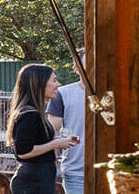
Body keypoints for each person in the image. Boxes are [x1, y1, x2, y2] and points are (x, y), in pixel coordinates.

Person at [8, 64, 78, 194]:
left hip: (40, 179)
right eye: (54, 80)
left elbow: (38, 142)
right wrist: (56, 144)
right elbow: (24, 151)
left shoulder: (36, 113)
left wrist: (62, 140)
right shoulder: (29, 114)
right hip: (31, 183)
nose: (58, 84)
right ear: (39, 84)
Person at [48, 54, 88, 194]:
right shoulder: (62, 94)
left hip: (112, 170)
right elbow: (53, 132)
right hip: (75, 173)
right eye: (89, 64)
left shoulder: (115, 93)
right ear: (76, 69)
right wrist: (54, 165)